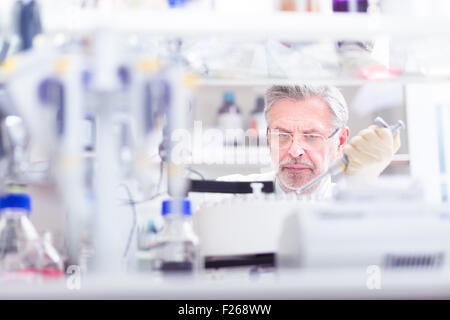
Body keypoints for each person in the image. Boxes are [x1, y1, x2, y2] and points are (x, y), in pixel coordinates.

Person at [218, 84, 401, 200]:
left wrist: (363, 183)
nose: (295, 151)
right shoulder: (226, 196)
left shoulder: (351, 204)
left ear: (340, 141)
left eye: (311, 136)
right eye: (282, 135)